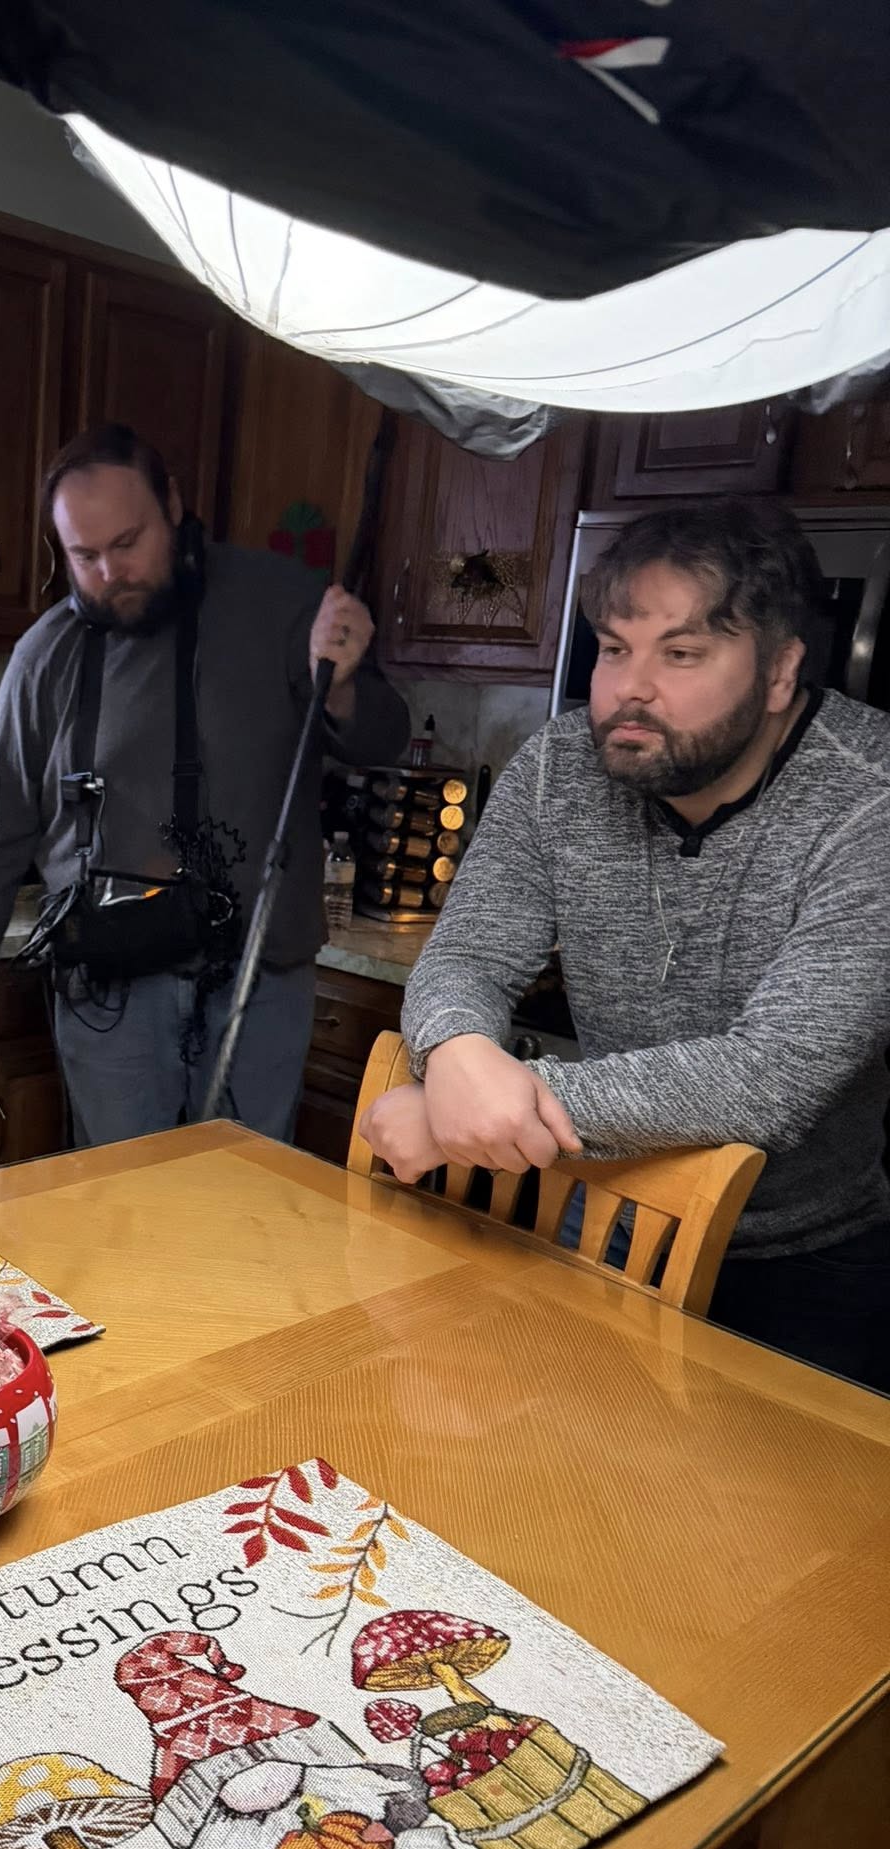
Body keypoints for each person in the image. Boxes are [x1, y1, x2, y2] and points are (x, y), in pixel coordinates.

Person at [363, 497, 890, 1394]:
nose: (627, 691)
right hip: (599, 1210)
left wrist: (473, 1116)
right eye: (614, 649)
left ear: (780, 671)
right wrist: (453, 1051)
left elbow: (769, 1078)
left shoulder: (868, 798)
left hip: (805, 1264)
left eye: (680, 654)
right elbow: (467, 959)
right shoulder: (558, 767)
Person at [0, 422, 408, 1144]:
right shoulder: (45, 656)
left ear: (173, 503)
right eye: (85, 556)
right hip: (111, 987)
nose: (109, 572)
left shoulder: (287, 605)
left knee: (248, 1193)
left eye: (128, 543)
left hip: (259, 971)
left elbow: (382, 740)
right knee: (123, 1195)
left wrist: (343, 683)